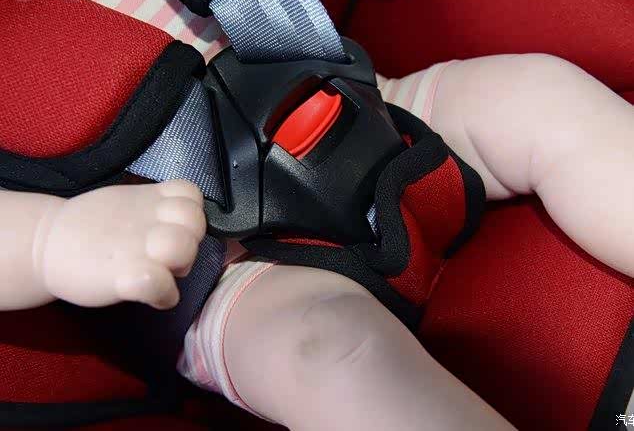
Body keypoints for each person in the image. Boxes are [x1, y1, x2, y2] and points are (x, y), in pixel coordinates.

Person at [2, 50, 631, 430]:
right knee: (332, 351)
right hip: (214, 269)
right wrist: (50, 242)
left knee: (539, 93)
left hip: (357, 104)